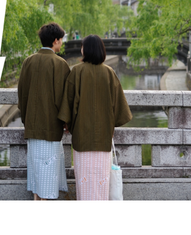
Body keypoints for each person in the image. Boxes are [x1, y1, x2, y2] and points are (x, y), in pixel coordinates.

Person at [58, 35, 132, 200]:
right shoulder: (109, 73)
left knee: (84, 183)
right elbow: (118, 107)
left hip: (82, 138)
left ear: (85, 50)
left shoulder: (77, 71)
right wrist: (110, 123)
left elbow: (68, 104)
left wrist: (67, 124)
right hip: (103, 137)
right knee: (101, 182)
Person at [18, 22, 70, 201]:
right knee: (48, 171)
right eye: (61, 40)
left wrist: (26, 119)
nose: (61, 43)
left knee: (36, 170)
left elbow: (22, 95)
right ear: (55, 41)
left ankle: (36, 200)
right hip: (51, 127)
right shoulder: (60, 64)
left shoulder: (28, 62)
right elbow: (65, 98)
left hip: (33, 127)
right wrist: (65, 122)